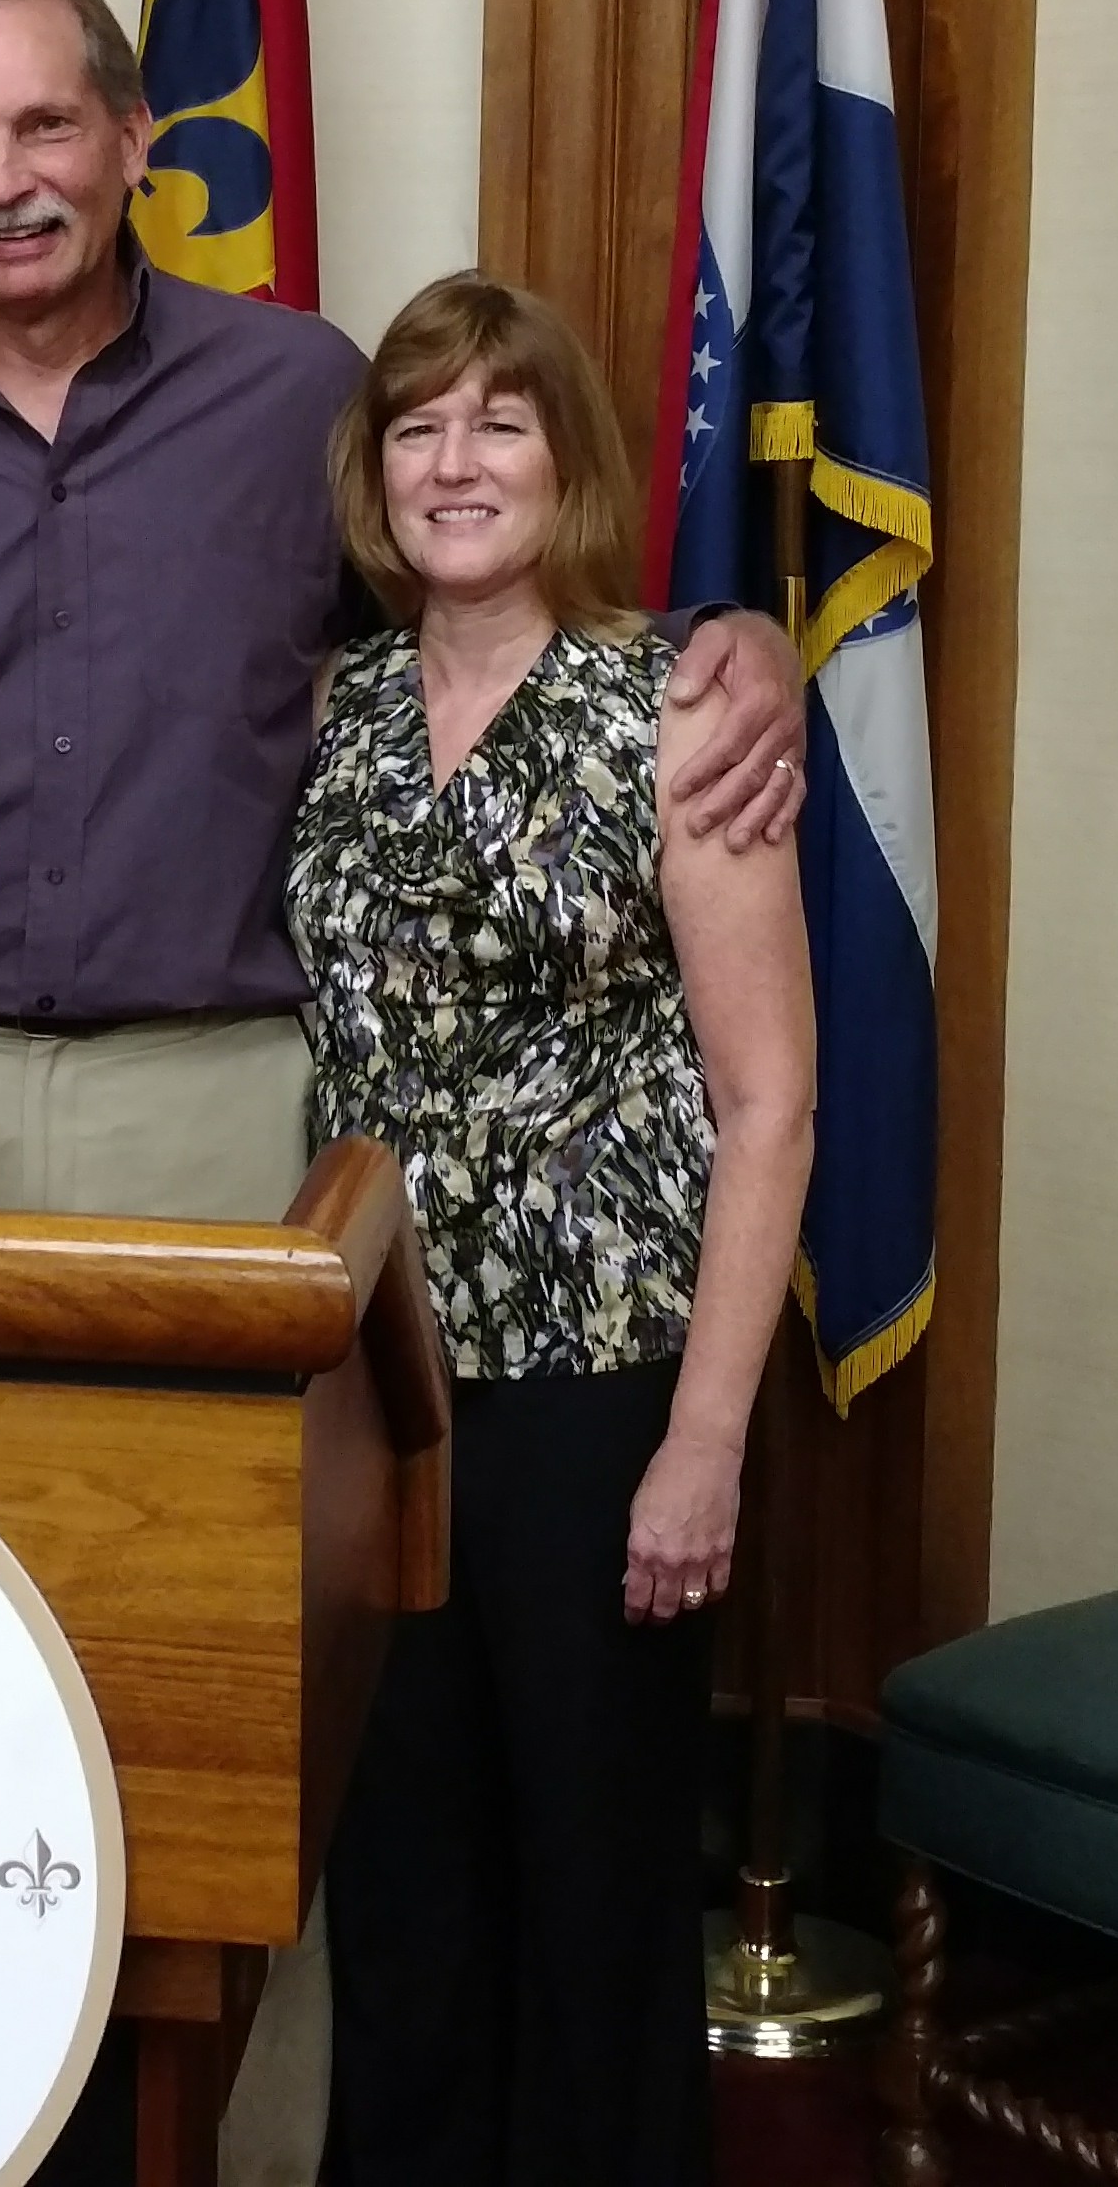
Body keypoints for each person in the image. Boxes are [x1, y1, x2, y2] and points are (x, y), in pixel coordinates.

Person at [0, 0, 807, 1226]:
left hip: (217, 1099)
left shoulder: (298, 393)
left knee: (228, 1440)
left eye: (46, 126)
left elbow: (473, 631)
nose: (3, 184)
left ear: (135, 137)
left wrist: (722, 639)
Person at [283, 272, 816, 2187]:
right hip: (376, 1391)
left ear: (568, 458)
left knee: (589, 1896)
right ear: (375, 472)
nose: (455, 460)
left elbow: (770, 1101)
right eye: (420, 425)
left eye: (497, 421)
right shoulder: (334, 707)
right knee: (403, 1884)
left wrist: (704, 1442)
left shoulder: (673, 708)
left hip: (600, 1395)